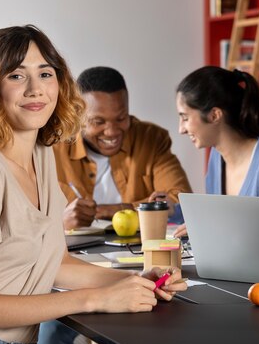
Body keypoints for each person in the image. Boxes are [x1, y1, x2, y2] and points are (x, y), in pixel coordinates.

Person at [0, 25, 186, 344]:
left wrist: (135, 280)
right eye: (16, 75)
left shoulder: (41, 156)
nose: (35, 89)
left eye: (45, 73)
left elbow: (55, 264)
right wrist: (95, 299)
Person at [173, 66, 259, 238]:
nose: (181, 129)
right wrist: (171, 210)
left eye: (185, 118)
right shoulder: (217, 158)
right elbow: (223, 223)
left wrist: (212, 229)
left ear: (215, 115)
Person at [53, 66, 192, 230]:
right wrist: (60, 223)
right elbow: (25, 219)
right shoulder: (51, 147)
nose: (111, 132)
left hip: (138, 250)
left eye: (121, 118)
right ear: (77, 114)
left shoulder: (151, 138)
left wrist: (113, 210)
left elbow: (180, 200)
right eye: (98, 122)